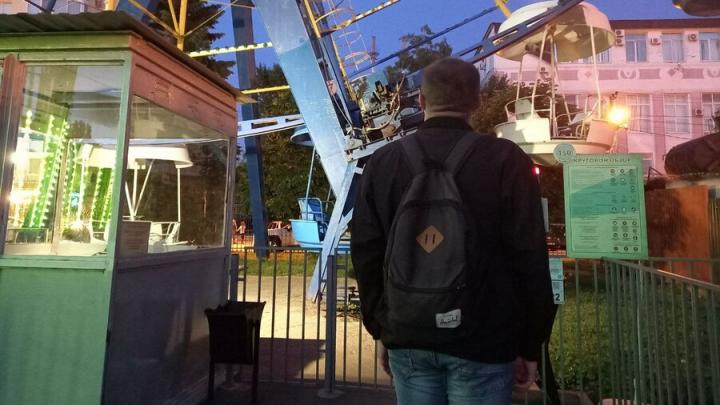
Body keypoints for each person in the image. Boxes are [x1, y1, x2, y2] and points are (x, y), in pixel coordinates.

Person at [351, 57, 555, 405]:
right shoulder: (507, 160)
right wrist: (530, 343)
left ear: (421, 101)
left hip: (409, 334)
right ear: (476, 102)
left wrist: (383, 328)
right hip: (485, 339)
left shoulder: (384, 162)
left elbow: (366, 253)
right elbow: (530, 258)